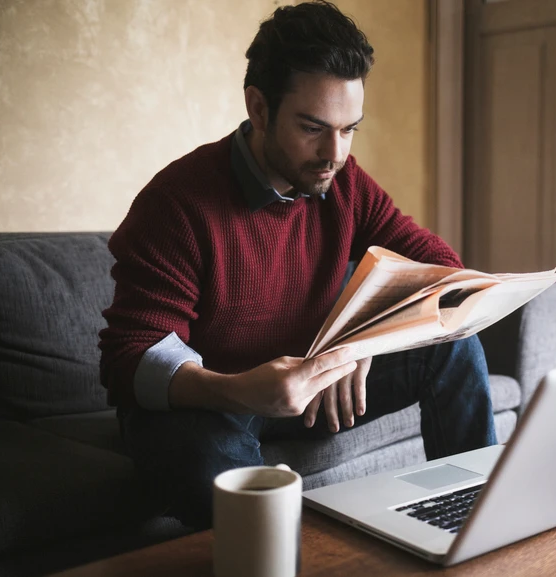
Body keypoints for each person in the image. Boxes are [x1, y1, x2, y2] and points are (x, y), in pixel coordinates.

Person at [98, 0, 496, 529]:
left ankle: (481, 521)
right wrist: (239, 389)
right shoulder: (178, 202)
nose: (335, 153)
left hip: (307, 390)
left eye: (349, 128)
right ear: (259, 108)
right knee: (215, 473)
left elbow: (442, 268)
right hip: (207, 401)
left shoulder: (344, 182)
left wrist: (359, 343)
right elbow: (130, 359)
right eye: (313, 127)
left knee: (454, 345)